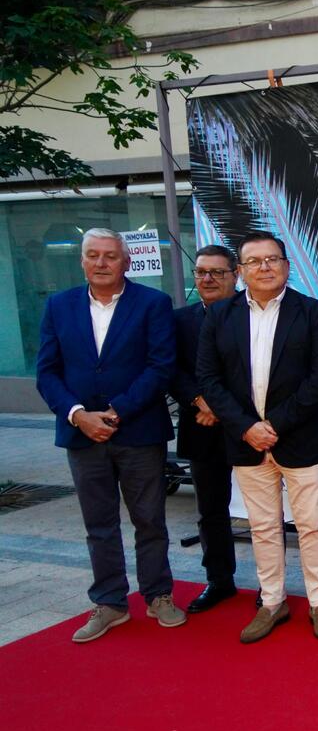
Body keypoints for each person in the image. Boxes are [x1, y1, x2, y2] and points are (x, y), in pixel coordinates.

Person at [36, 228, 184, 642]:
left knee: (149, 519)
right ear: (82, 260)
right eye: (93, 255)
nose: (101, 263)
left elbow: (161, 366)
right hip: (82, 435)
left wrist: (117, 411)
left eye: (110, 256)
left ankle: (158, 595)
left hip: (139, 431)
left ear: (126, 262)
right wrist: (78, 415)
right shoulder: (59, 305)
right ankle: (110, 602)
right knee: (98, 523)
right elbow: (47, 372)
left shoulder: (153, 303)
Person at [197, 231, 318, 643]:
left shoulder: (312, 312)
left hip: (300, 439)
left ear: (286, 266)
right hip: (245, 442)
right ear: (240, 271)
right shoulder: (219, 316)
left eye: (273, 259)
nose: (265, 267)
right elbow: (208, 377)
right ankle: (273, 601)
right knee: (262, 527)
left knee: (312, 526)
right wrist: (246, 427)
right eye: (254, 261)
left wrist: (273, 425)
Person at [171, 244, 241, 613]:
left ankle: (271, 586)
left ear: (235, 275)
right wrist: (201, 401)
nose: (208, 279)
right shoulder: (179, 320)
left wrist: (225, 408)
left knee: (268, 511)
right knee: (211, 510)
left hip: (249, 427)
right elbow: (171, 369)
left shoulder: (253, 313)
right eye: (201, 272)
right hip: (201, 425)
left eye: (217, 272)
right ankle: (219, 580)